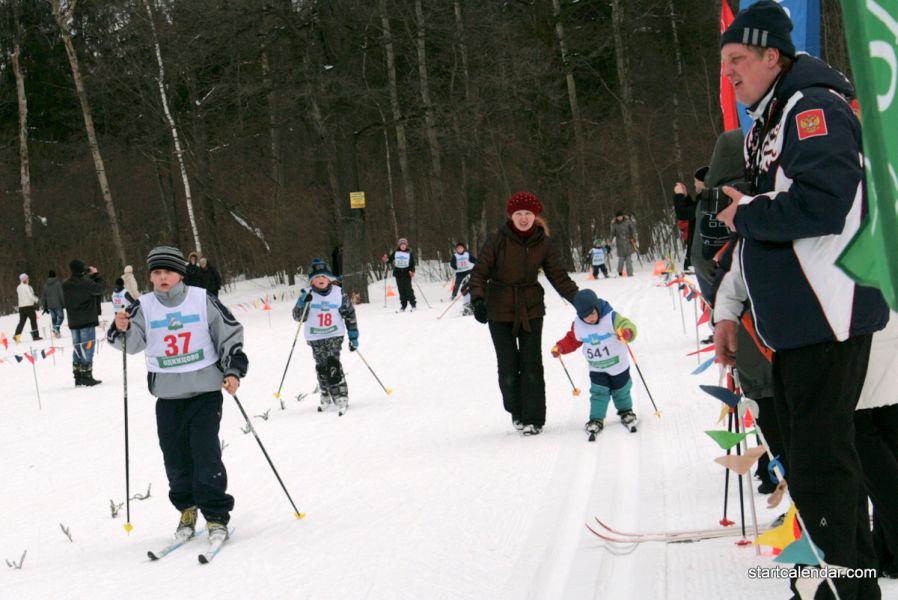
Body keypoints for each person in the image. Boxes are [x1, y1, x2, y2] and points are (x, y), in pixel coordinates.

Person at [715, 3, 889, 597]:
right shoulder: (772, 116)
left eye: (738, 59)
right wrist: (730, 306)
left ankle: (844, 587)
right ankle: (839, 579)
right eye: (725, 63)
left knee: (823, 465)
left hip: (827, 317)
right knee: (812, 463)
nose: (730, 74)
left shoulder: (811, 108)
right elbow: (761, 222)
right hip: (796, 323)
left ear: (772, 56)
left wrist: (749, 210)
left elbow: (821, 204)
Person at [108, 246, 248, 546]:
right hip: (168, 396)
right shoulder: (142, 306)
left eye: (168, 272)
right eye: (156, 273)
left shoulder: (201, 298)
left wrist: (234, 369)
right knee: (175, 458)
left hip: (205, 392)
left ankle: (215, 515)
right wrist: (122, 328)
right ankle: (187, 508)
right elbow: (130, 345)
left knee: (205, 454)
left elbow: (230, 333)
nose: (162, 278)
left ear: (180, 274)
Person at [468, 191, 578, 435]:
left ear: (535, 216)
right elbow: (479, 272)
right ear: (511, 216)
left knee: (531, 364)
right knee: (508, 366)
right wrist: (477, 299)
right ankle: (517, 412)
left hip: (530, 308)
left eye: (528, 213)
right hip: (498, 308)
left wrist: (580, 301)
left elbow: (558, 275)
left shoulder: (543, 242)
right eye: (519, 213)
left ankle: (534, 418)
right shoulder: (497, 239)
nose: (524, 218)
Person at [551, 289, 638, 437]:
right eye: (585, 316)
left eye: (592, 313)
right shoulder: (579, 325)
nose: (590, 318)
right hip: (597, 367)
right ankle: (596, 419)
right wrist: (560, 347)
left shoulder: (611, 318)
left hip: (618, 365)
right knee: (598, 393)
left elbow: (626, 324)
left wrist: (627, 332)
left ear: (597, 307)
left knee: (621, 390)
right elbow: (572, 339)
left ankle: (626, 411)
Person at [292, 259, 359, 414]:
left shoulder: (338, 293)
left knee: (332, 363)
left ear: (329, 278)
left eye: (323, 277)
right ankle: (326, 394)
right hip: (315, 337)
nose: (320, 280)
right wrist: (303, 303)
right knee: (321, 366)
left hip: (334, 334)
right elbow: (297, 317)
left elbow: (349, 314)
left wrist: (353, 336)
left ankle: (340, 395)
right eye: (316, 278)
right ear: (311, 281)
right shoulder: (307, 294)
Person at [62, 260, 105, 386]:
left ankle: (78, 375)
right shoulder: (86, 282)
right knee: (87, 348)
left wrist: (87, 276)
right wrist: (96, 275)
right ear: (82, 270)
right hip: (86, 320)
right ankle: (86, 375)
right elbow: (101, 288)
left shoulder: (65, 284)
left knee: (77, 348)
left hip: (73, 321)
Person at [672, 166, 707, 272]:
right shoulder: (706, 199)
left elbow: (683, 214)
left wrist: (678, 195)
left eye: (696, 181)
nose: (694, 184)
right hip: (698, 251)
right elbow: (694, 212)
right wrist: (686, 197)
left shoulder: (706, 201)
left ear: (703, 182)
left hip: (699, 253)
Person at [382, 238, 417, 311]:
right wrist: (386, 259)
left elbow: (412, 264)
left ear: (406, 245)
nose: (403, 246)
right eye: (401, 245)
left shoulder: (409, 253)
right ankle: (403, 305)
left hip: (407, 274)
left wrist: (412, 271)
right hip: (398, 274)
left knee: (408, 290)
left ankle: (413, 304)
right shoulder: (396, 252)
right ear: (399, 246)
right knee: (401, 290)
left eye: (404, 245)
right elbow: (390, 259)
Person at [14, 273, 42, 342]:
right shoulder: (27, 287)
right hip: (29, 307)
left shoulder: (18, 287)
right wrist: (37, 300)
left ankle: (16, 336)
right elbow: (30, 296)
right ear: (25, 279)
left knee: (21, 322)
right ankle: (35, 336)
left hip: (21, 307)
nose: (28, 279)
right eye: (27, 278)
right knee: (33, 321)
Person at [609, 212, 638, 277]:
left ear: (622, 216)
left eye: (620, 217)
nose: (619, 218)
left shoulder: (628, 222)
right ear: (616, 217)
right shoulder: (615, 224)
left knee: (629, 260)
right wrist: (610, 240)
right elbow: (612, 233)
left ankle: (630, 274)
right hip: (620, 244)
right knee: (621, 260)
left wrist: (634, 238)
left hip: (628, 243)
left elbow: (633, 230)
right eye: (618, 217)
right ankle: (619, 272)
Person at [41, 270, 66, 338]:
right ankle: (56, 328)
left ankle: (57, 334)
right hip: (58, 304)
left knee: (54, 319)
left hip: (50, 305)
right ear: (55, 276)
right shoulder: (57, 283)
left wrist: (45, 307)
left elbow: (44, 297)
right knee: (61, 317)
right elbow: (61, 294)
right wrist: (63, 304)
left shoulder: (45, 285)